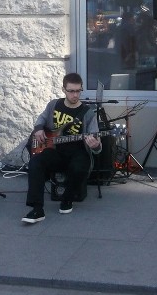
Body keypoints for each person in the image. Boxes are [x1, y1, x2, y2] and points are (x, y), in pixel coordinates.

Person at [22, 72, 102, 224]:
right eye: (71, 91)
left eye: (78, 91)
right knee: (35, 162)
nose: (75, 95)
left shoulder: (87, 112)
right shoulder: (54, 104)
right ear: (63, 90)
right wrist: (38, 128)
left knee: (80, 167)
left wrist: (96, 145)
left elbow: (97, 144)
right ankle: (37, 209)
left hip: (78, 152)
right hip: (55, 151)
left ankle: (68, 198)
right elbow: (42, 118)